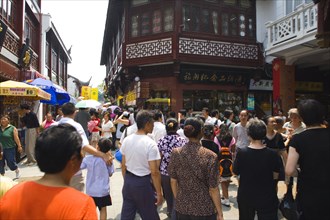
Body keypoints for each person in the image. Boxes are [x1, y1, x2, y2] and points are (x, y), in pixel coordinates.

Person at [0, 124, 97, 219]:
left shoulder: (12, 194)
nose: (83, 155)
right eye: (81, 151)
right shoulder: (82, 205)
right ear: (73, 159)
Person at [168, 117, 224, 220]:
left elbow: (173, 181)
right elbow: (213, 188)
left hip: (183, 207)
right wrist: (220, 213)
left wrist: (179, 199)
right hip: (204, 209)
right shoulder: (210, 156)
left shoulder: (176, 152)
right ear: (201, 131)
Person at [286, 99, 330, 220]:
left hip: (308, 191)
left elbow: (289, 170)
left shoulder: (297, 139)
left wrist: (299, 172)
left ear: (302, 117)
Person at [53, 102, 113, 191]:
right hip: (73, 170)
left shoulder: (54, 126)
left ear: (62, 112)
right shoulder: (76, 126)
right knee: (75, 199)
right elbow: (84, 146)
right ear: (74, 112)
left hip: (56, 170)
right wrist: (103, 155)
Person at [233, 118, 281, 220]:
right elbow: (275, 176)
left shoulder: (242, 153)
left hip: (246, 195)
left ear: (248, 134)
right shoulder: (272, 154)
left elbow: (235, 171)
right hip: (268, 194)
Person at [120, 110, 163, 219]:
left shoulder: (126, 140)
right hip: (143, 183)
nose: (153, 127)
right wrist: (159, 192)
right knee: (150, 215)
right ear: (147, 124)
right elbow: (154, 172)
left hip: (129, 181)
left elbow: (123, 166)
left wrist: (127, 180)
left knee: (127, 215)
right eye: (152, 124)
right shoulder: (150, 143)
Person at [157, 118, 187, 218]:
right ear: (177, 128)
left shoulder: (161, 140)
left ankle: (170, 211)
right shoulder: (182, 140)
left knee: (168, 194)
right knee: (177, 195)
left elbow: (159, 157)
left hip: (164, 172)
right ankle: (176, 213)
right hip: (179, 173)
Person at [80, 138, 114, 220]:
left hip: (91, 190)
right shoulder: (108, 160)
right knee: (103, 209)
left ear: (97, 147)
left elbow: (80, 166)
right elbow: (110, 173)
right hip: (103, 190)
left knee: (91, 210)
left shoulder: (88, 159)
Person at [262, 115, 288, 191]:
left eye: (275, 122)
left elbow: (283, 151)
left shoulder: (278, 136)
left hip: (275, 163)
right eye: (272, 122)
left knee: (274, 183)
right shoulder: (261, 135)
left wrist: (286, 165)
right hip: (263, 163)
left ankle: (273, 199)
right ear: (266, 124)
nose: (274, 123)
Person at [214, 123, 236, 207]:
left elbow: (215, 149)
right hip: (229, 160)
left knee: (222, 180)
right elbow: (233, 150)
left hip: (220, 160)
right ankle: (224, 195)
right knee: (227, 178)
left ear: (219, 129)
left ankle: (226, 199)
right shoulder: (232, 138)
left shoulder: (216, 138)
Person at [0, 115, 23, 179]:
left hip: (10, 148)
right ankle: (2, 177)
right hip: (0, 149)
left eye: (4, 119)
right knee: (0, 163)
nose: (2, 120)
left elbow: (16, 138)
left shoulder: (12, 128)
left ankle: (17, 170)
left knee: (11, 163)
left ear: (8, 121)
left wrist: (19, 146)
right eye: (1, 119)